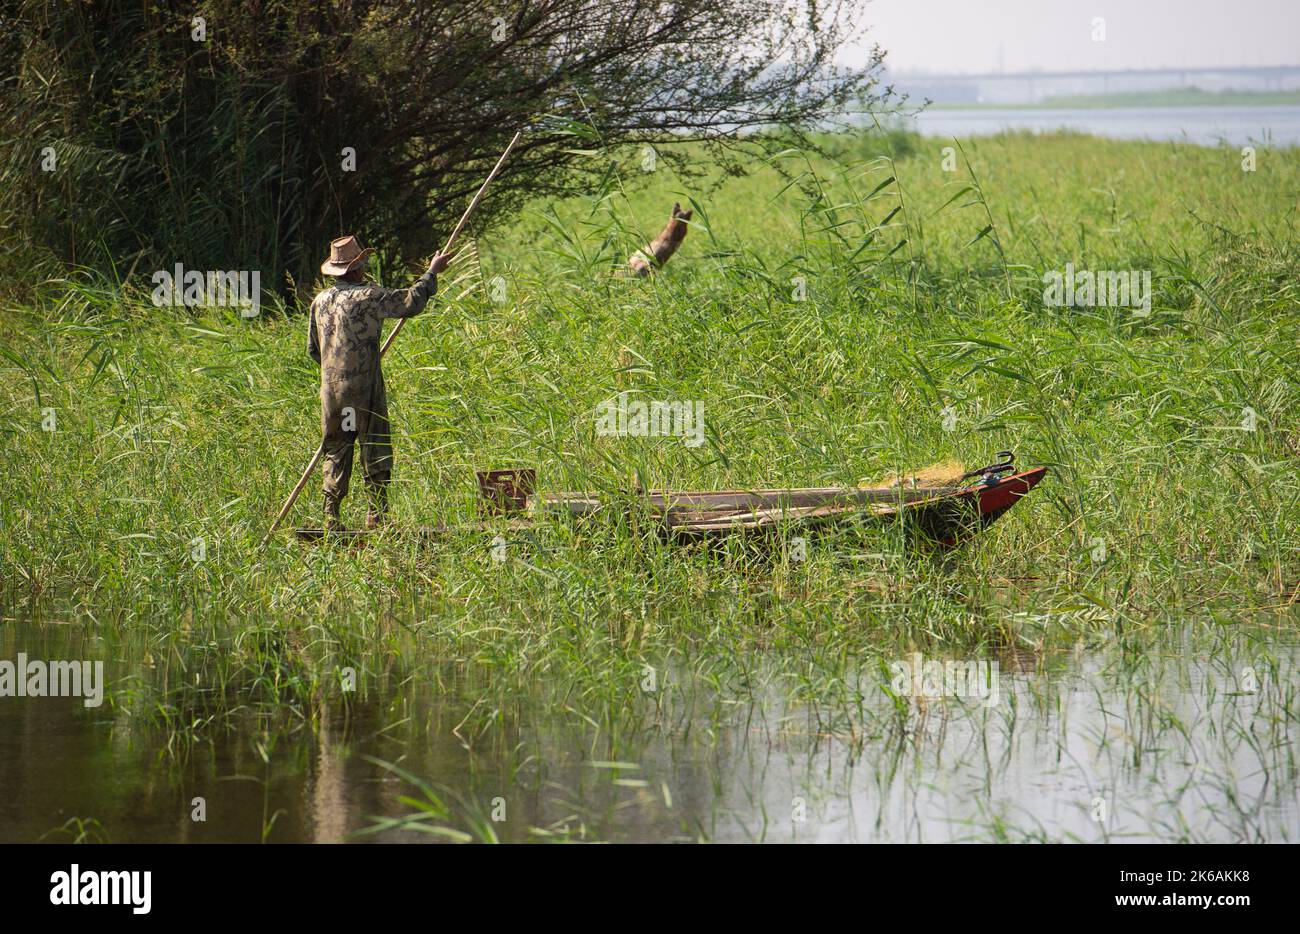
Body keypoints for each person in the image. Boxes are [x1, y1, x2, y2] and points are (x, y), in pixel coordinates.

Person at [308, 235, 453, 531]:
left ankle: (331, 516)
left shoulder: (319, 302)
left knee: (337, 447)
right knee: (373, 442)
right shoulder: (368, 296)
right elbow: (409, 304)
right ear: (357, 268)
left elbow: (314, 350)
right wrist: (432, 272)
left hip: (332, 392)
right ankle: (377, 515)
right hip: (363, 388)